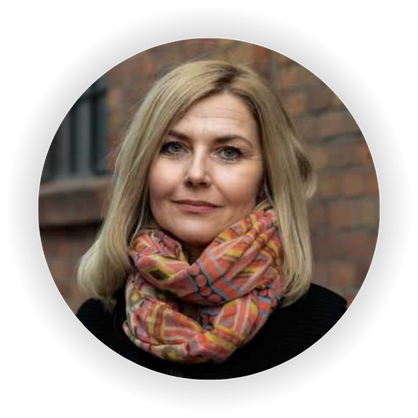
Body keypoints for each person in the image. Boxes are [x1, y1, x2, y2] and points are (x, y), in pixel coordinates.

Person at [76, 60, 347, 379]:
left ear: (267, 177)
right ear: (144, 168)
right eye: (173, 147)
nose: (196, 174)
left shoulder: (324, 323)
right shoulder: (96, 324)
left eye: (229, 152)